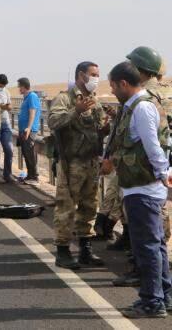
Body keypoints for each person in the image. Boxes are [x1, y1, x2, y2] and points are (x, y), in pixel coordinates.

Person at [104, 61, 171, 319]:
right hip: (142, 186)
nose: (111, 90)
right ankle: (165, 295)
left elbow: (154, 148)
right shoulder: (135, 107)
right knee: (155, 246)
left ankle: (152, 302)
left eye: (112, 85)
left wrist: (159, 176)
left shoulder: (141, 109)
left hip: (144, 188)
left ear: (124, 83)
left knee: (147, 248)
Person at [48, 61, 108, 269]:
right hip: (70, 164)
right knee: (66, 207)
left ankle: (86, 249)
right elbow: (53, 123)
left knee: (90, 206)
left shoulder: (95, 101)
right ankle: (62, 251)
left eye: (98, 75)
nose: (96, 79)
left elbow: (98, 128)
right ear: (81, 75)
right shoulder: (64, 99)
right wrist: (76, 110)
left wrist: (107, 126)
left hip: (90, 162)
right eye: (93, 74)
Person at [127, 47, 172, 243]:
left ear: (141, 69)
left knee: (151, 210)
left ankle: (154, 258)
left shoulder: (145, 95)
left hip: (152, 160)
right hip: (164, 155)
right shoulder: (167, 91)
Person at [17, 77, 41, 186]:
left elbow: (32, 112)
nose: (18, 88)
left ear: (23, 86)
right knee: (26, 153)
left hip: (29, 130)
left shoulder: (32, 96)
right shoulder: (26, 98)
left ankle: (34, 177)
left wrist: (29, 128)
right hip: (23, 130)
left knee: (30, 153)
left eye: (19, 86)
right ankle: (30, 175)